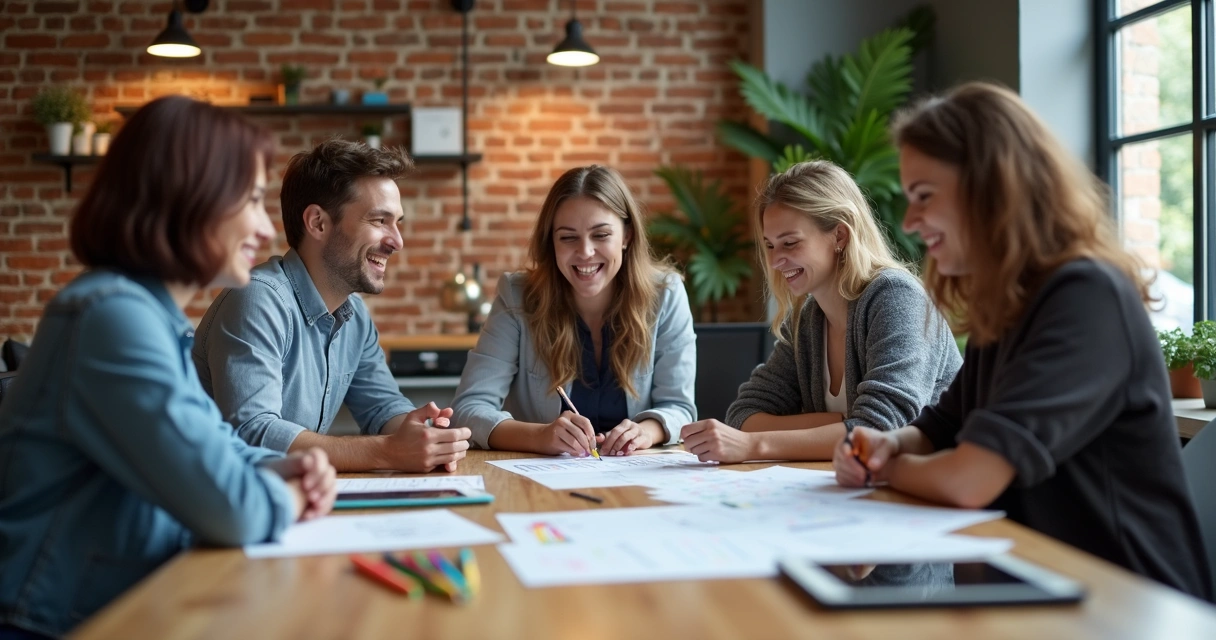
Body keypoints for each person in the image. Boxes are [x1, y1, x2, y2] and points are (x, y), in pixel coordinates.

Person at [833, 82, 1212, 599]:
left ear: (991, 187)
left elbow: (970, 480)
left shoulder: (1086, 297)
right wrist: (887, 444)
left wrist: (885, 470)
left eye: (924, 196)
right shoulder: (1010, 303)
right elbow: (940, 429)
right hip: (1040, 588)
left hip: (1129, 605)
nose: (910, 222)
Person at [0, 97, 337, 639]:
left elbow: (217, 447)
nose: (265, 229)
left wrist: (288, 467)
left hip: (122, 607)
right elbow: (235, 509)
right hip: (52, 623)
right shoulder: (111, 318)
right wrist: (294, 496)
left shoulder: (150, 318)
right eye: (251, 200)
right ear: (189, 196)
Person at [193, 139, 471, 472]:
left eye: (398, 222)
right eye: (379, 220)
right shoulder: (257, 300)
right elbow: (253, 432)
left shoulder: (355, 316)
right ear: (318, 223)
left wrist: (423, 435)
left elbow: (381, 408)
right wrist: (388, 452)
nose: (397, 241)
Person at [681, 160, 961, 463]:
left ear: (839, 236)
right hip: (850, 482)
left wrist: (755, 445)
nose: (775, 261)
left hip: (932, 485)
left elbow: (882, 431)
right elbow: (744, 415)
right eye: (770, 245)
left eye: (790, 243)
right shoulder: (806, 319)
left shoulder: (896, 297)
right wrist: (846, 422)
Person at [453, 165, 696, 455]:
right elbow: (468, 409)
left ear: (627, 236)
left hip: (635, 470)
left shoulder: (665, 294)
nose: (585, 252)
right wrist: (539, 436)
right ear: (551, 242)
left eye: (601, 235)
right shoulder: (517, 295)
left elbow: (679, 408)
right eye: (568, 238)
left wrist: (645, 431)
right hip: (538, 476)